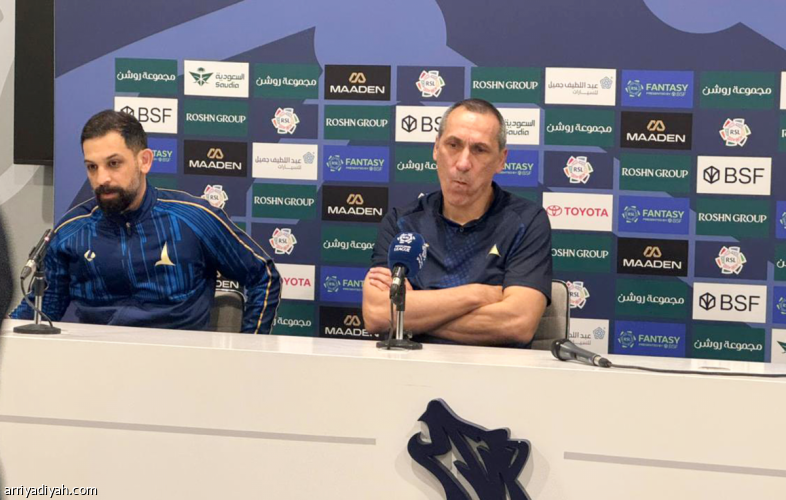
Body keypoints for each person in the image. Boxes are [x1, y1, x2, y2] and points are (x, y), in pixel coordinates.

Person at [10, 110, 280, 334]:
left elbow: (263, 276)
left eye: (114, 164)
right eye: (92, 167)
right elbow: (40, 309)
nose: (102, 179)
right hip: (95, 366)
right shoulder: (71, 231)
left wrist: (249, 352)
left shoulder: (193, 219)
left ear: (145, 161)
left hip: (181, 367)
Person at [362, 99, 552, 347]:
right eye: (453, 145)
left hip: (491, 369)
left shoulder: (527, 221)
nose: (462, 163)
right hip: (412, 366)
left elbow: (517, 323)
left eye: (480, 150)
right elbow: (377, 314)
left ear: (501, 160)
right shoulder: (402, 223)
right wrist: (477, 294)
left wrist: (413, 315)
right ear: (436, 148)